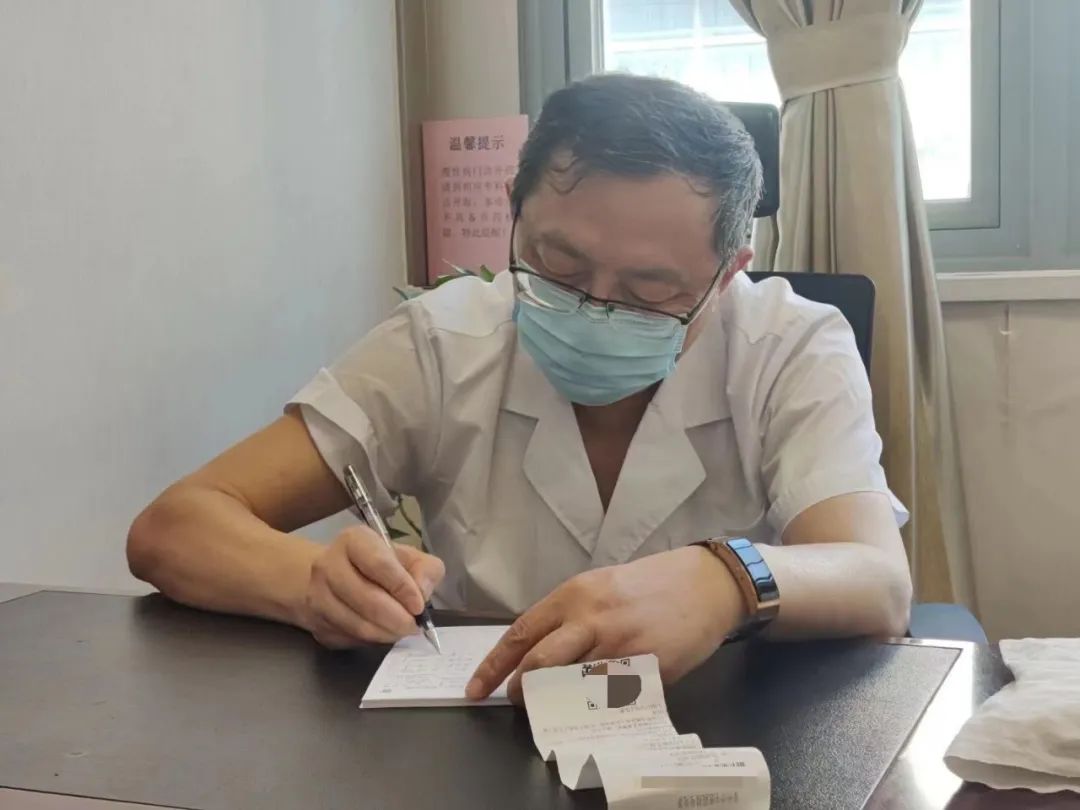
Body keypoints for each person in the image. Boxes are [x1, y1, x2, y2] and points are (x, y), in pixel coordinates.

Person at [128, 74, 912, 705]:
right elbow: (174, 528)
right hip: (482, 733)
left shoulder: (789, 344)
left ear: (730, 271)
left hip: (725, 732)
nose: (593, 307)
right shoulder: (444, 342)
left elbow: (878, 582)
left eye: (649, 290)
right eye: (558, 265)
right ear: (516, 211)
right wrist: (311, 585)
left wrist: (728, 580)